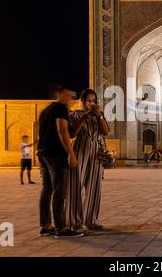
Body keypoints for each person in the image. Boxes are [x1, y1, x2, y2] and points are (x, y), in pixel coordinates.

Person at [37, 85, 83, 238]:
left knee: (47, 190)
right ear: (61, 94)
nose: (72, 100)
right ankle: (61, 228)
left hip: (43, 154)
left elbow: (68, 132)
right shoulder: (61, 108)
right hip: (56, 155)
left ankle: (45, 226)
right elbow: (62, 131)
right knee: (59, 191)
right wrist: (71, 153)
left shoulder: (45, 111)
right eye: (70, 96)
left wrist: (83, 118)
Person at [66, 88, 110, 232]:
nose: (91, 104)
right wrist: (84, 117)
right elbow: (72, 134)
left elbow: (105, 131)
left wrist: (98, 117)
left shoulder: (100, 116)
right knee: (75, 187)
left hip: (96, 152)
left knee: (94, 188)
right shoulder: (75, 114)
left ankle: (90, 220)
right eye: (88, 101)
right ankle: (73, 222)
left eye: (94, 101)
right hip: (80, 151)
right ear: (82, 102)